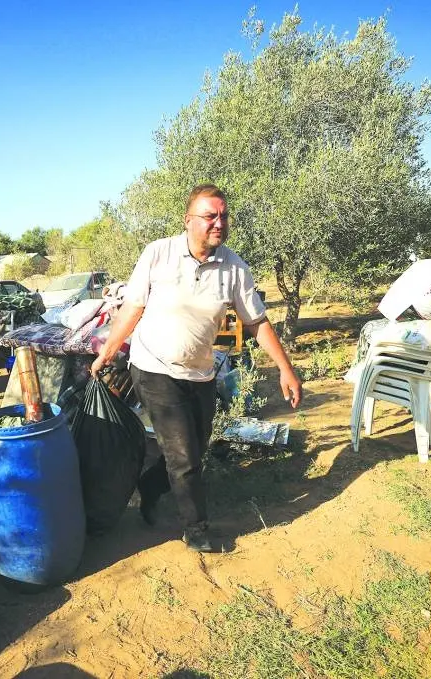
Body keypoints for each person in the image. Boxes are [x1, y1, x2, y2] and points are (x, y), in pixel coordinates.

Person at [91, 184, 302, 552]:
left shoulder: (235, 268)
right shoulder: (158, 253)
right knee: (185, 456)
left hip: (201, 373)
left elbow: (257, 323)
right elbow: (134, 307)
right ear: (189, 221)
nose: (218, 223)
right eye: (209, 216)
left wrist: (286, 368)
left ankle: (151, 485)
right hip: (153, 367)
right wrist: (109, 350)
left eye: (223, 216)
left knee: (194, 448)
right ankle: (196, 529)